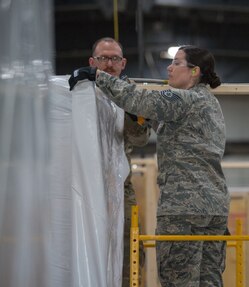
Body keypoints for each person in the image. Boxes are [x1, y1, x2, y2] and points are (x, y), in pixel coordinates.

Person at [69, 45, 231, 287]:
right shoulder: (208, 103)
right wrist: (139, 116)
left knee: (179, 281)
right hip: (215, 209)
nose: (169, 67)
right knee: (209, 281)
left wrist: (98, 76)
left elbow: (141, 99)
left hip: (183, 209)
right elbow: (174, 130)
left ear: (195, 71)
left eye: (177, 63)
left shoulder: (182, 98)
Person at [89, 37, 151, 286]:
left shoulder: (131, 94)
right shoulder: (78, 91)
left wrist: (126, 104)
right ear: (92, 62)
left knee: (129, 250)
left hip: (119, 187)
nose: (109, 64)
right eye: (103, 58)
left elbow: (140, 138)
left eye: (114, 58)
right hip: (82, 185)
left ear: (123, 63)